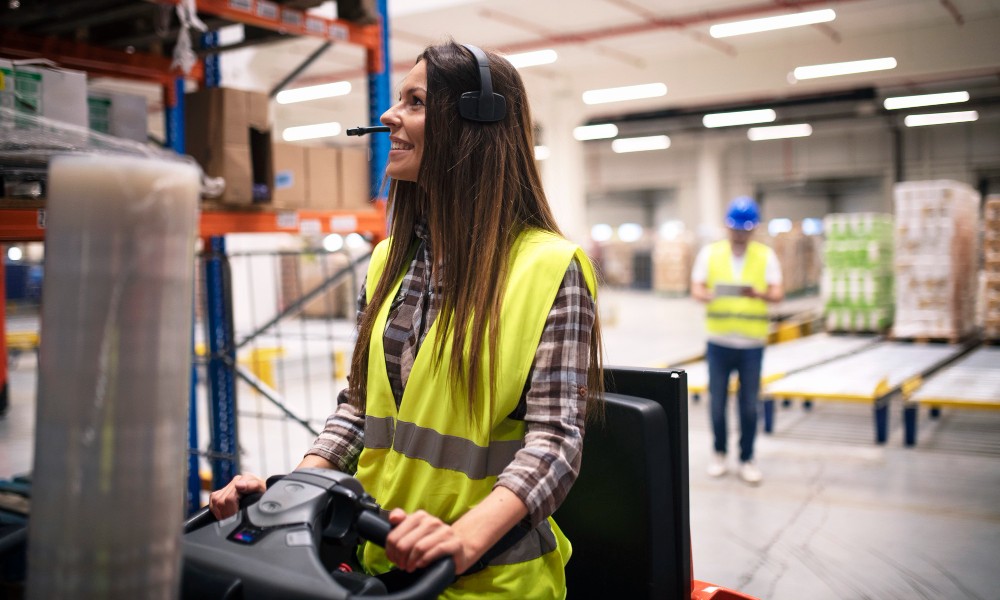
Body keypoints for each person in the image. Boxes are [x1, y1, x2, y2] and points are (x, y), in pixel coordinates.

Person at [209, 41, 603, 599]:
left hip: (487, 579)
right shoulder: (388, 260)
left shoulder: (549, 267)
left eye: (414, 102)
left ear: (475, 124)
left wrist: (462, 540)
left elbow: (555, 443)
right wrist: (288, 496)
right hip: (375, 560)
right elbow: (358, 410)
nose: (388, 115)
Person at [690, 197, 783, 485]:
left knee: (748, 406)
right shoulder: (710, 254)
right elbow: (697, 288)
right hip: (719, 343)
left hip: (751, 345)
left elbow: (778, 293)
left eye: (745, 229)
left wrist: (759, 294)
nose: (739, 233)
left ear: (753, 229)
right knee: (717, 404)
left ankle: (747, 458)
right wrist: (707, 295)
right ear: (727, 227)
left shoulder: (765, 256)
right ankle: (719, 453)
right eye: (735, 228)